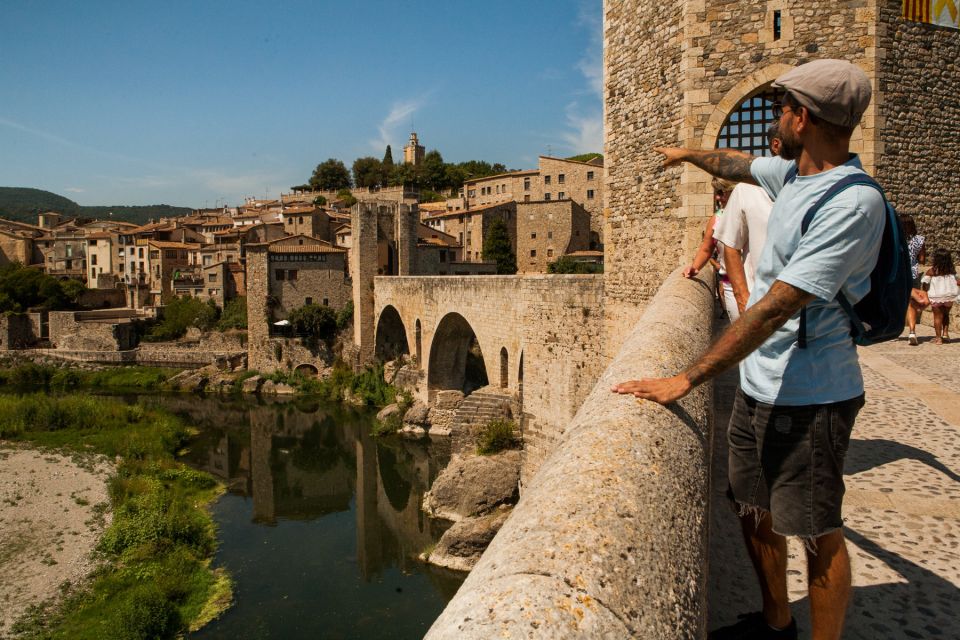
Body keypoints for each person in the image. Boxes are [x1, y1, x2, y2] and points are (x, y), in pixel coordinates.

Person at [612, 59, 883, 640]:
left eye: (781, 107)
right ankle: (776, 621)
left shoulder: (852, 202)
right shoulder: (795, 175)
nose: (774, 118)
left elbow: (775, 307)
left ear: (801, 117)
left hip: (814, 394)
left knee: (816, 529)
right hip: (761, 385)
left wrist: (685, 378)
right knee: (750, 505)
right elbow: (736, 163)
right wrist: (686, 155)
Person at [713, 123, 782, 320]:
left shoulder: (822, 187)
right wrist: (742, 297)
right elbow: (730, 245)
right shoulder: (747, 189)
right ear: (775, 146)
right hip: (757, 304)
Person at [922, 248, 959, 344]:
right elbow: (956, 280)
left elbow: (925, 283)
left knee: (937, 317)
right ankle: (945, 334)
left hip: (936, 297)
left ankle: (938, 338)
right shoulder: (951, 270)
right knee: (946, 315)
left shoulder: (932, 271)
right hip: (949, 296)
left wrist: (925, 290)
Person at [901, 214, 927, 344]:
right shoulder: (920, 240)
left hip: (898, 274)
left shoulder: (896, 239)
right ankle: (912, 332)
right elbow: (922, 260)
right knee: (912, 302)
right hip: (913, 273)